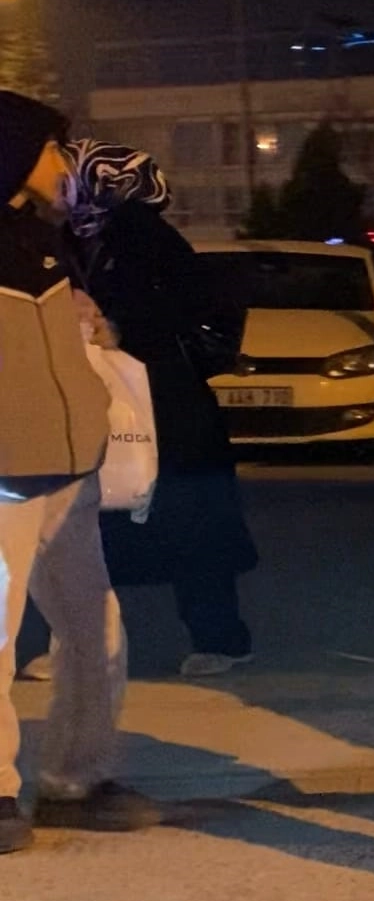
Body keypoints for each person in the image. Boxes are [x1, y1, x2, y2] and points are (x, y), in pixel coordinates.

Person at [20, 140, 255, 681]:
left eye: (68, 173)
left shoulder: (139, 235)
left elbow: (188, 304)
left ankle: (219, 638)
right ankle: (88, 647)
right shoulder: (76, 235)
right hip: (116, 396)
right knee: (93, 525)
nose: (56, 183)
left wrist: (119, 325)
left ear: (101, 182)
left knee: (183, 521)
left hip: (166, 405)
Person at [1, 91, 163, 855]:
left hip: (69, 470)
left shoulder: (43, 240)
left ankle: (77, 779)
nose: (62, 162)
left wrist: (94, 325)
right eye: (49, 147)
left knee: (96, 629)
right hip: (4, 473)